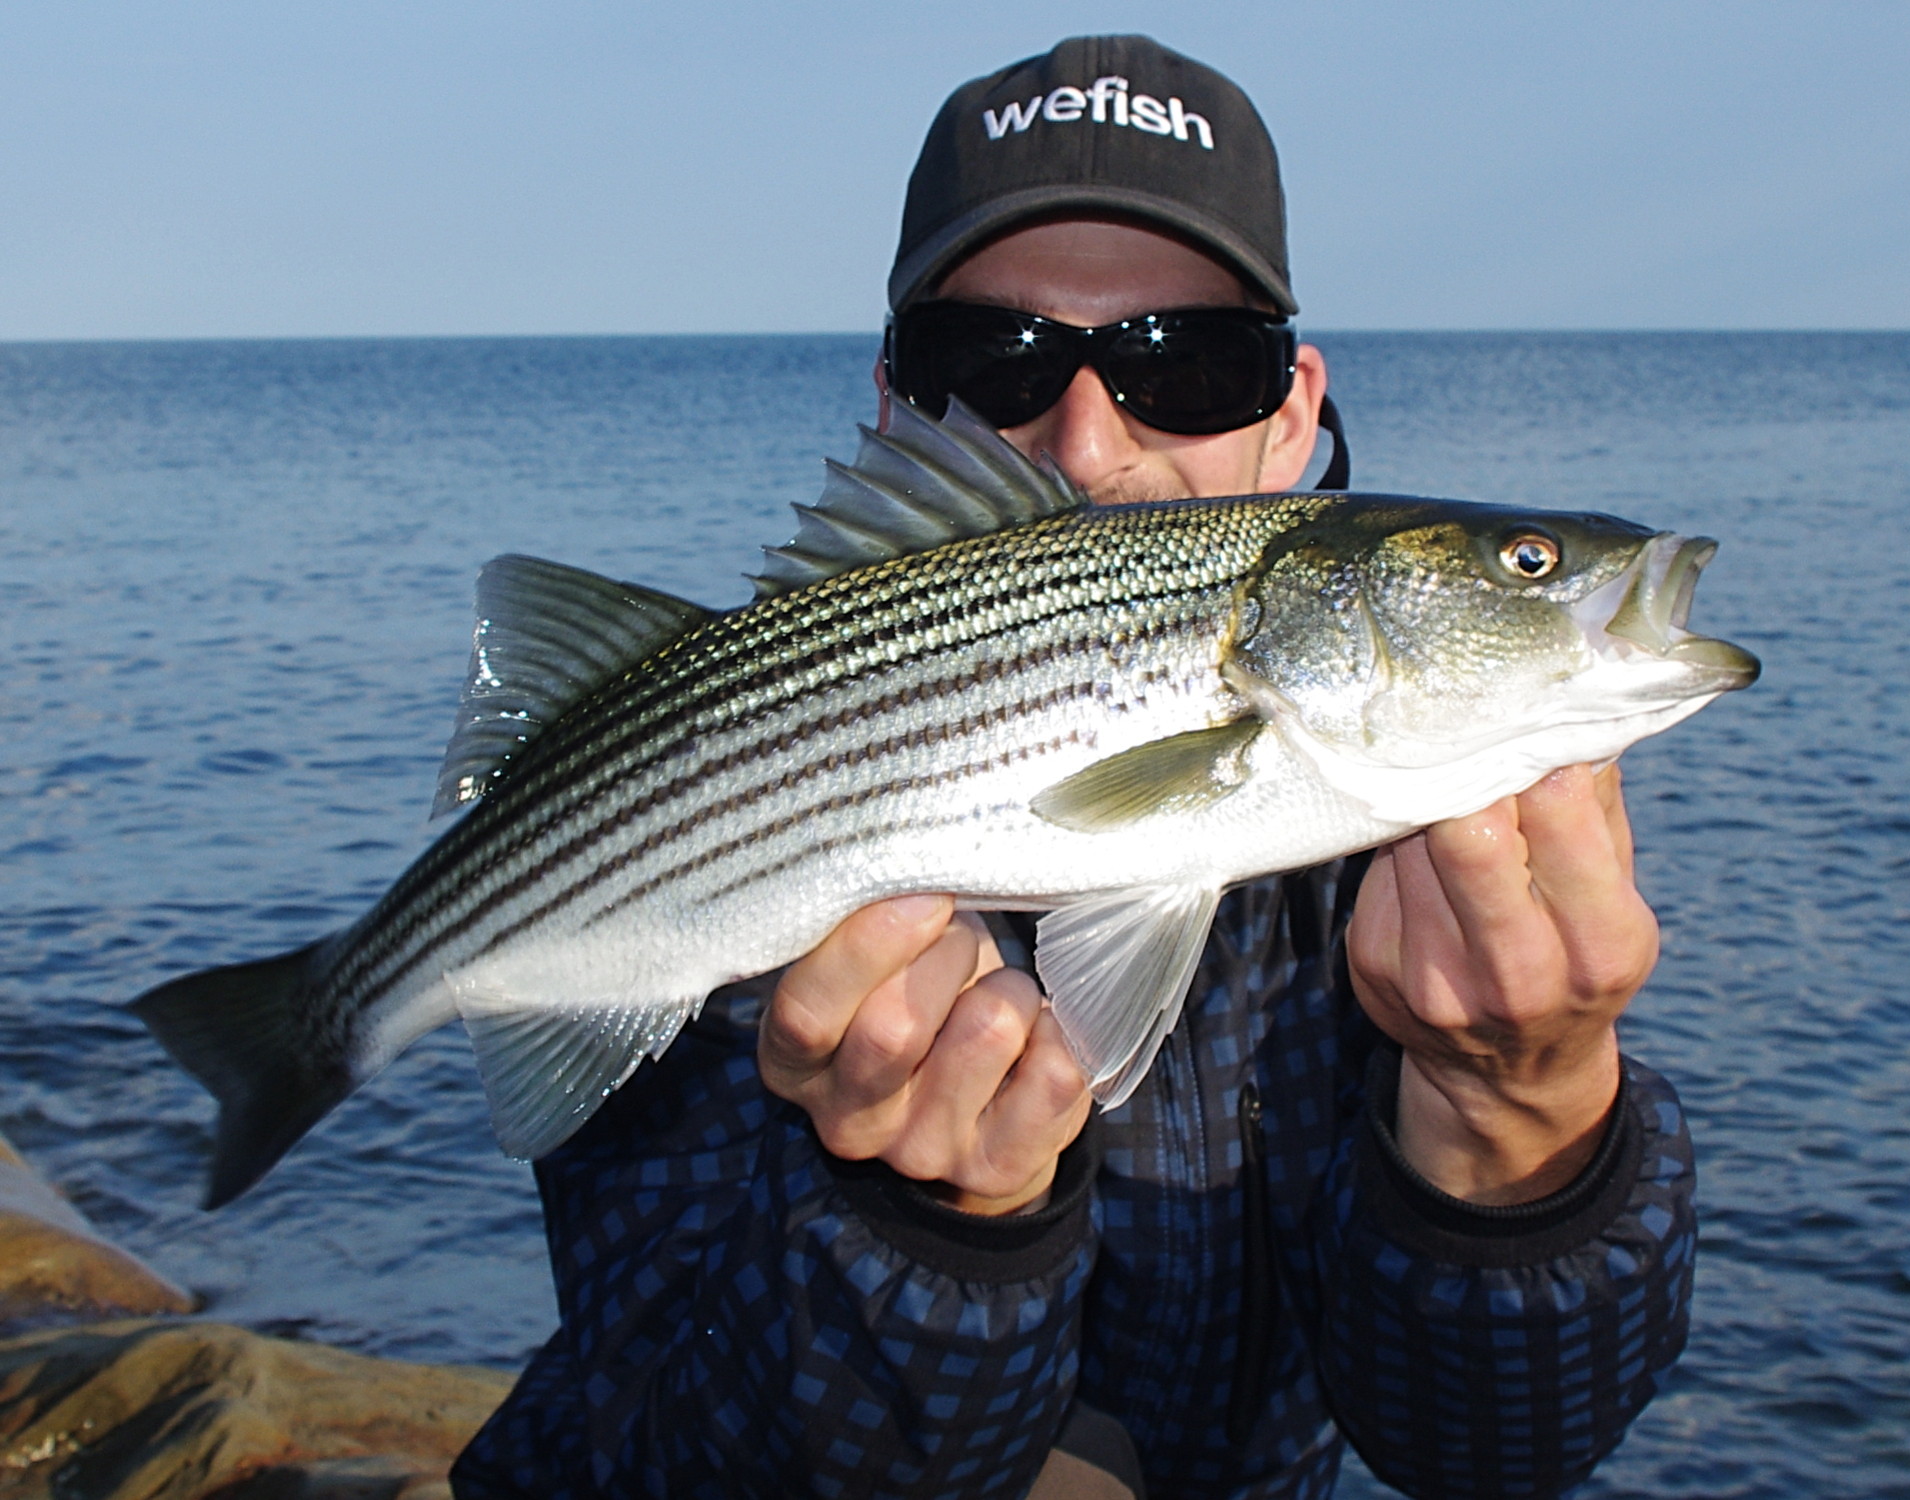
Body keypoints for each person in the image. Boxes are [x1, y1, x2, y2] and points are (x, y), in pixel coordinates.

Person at [452, 35, 1694, 1500]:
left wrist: (1524, 1111)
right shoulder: (703, 806)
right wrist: (927, 1240)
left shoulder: (1418, 845)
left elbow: (1493, 1453)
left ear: (1292, 413)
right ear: (897, 402)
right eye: (993, 359)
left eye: (1188, 361)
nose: (1090, 438)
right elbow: (671, 1449)